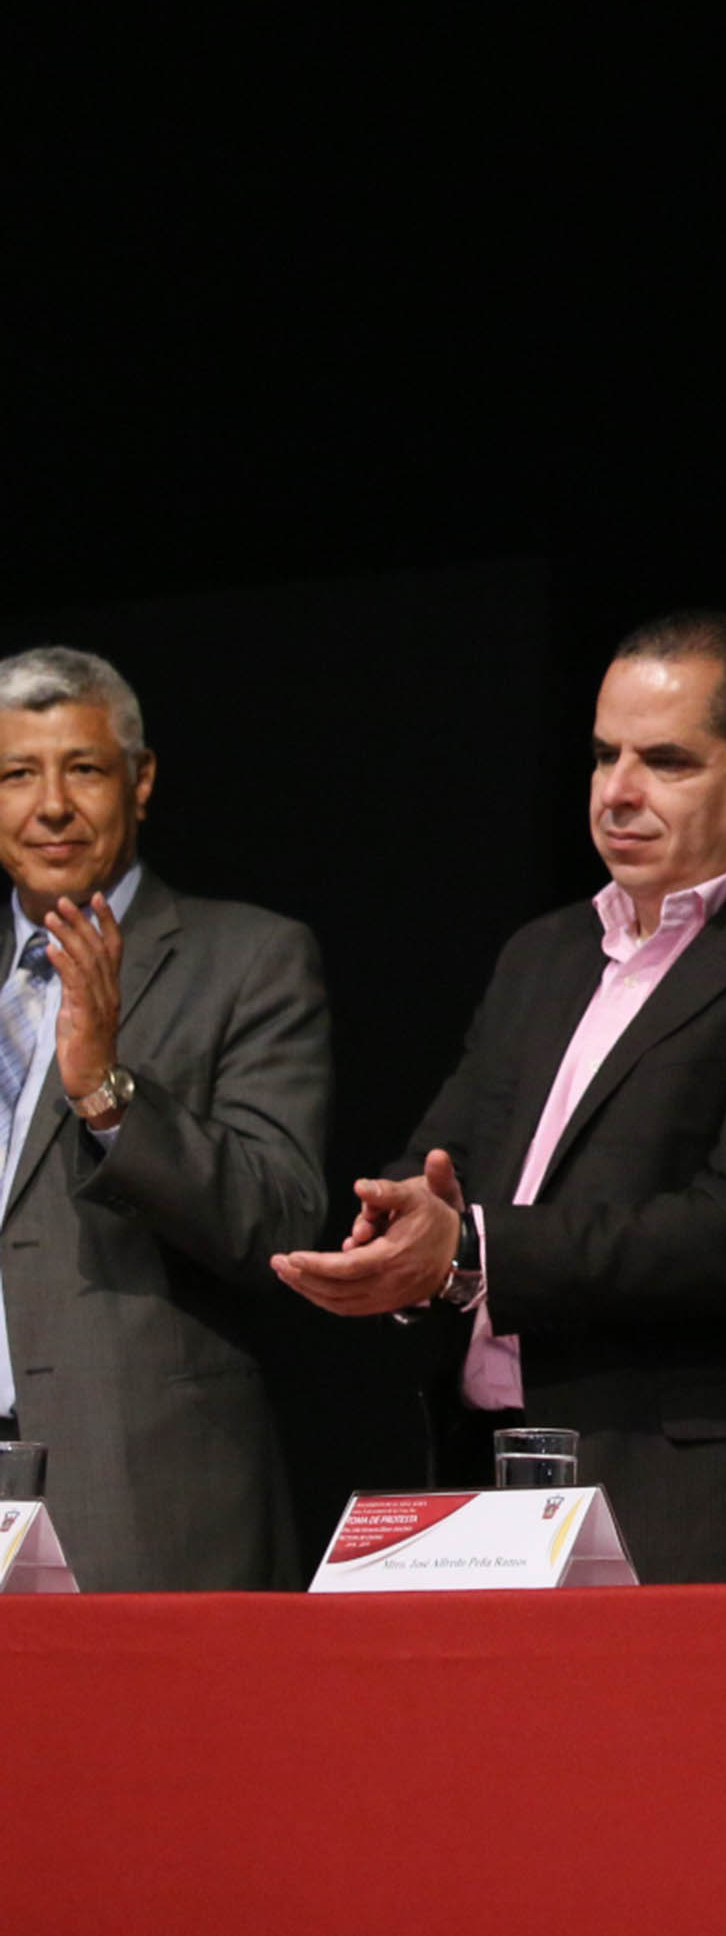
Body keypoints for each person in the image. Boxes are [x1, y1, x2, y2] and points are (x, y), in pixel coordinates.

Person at [274, 615, 726, 1581]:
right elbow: (447, 1162)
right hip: (488, 1477)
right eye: (604, 755)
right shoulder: (543, 954)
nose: (618, 791)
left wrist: (474, 1250)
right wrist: (405, 1231)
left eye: (666, 761)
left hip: (689, 1500)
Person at [0, 646, 328, 1589]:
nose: (50, 806)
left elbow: (279, 1219)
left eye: (83, 769)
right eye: (18, 774)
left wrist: (107, 1092)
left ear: (139, 781)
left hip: (136, 1487)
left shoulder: (250, 958)